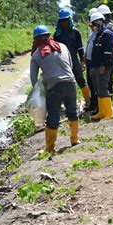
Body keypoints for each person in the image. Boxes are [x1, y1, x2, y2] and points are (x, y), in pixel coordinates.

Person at [30, 25, 79, 154]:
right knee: (72, 112)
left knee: (53, 117)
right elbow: (71, 65)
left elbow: (33, 79)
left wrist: (41, 92)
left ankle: (50, 148)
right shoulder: (62, 46)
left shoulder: (36, 55)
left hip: (54, 88)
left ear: (36, 40)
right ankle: (75, 140)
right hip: (70, 83)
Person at [53, 8, 91, 108]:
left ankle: (88, 101)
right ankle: (63, 104)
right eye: (62, 21)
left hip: (74, 59)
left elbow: (80, 48)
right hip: (62, 61)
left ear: (69, 20)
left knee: (80, 80)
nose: (64, 22)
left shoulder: (75, 32)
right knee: (62, 82)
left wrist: (82, 61)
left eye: (65, 20)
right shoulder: (57, 35)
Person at [89, 12, 113, 120]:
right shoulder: (98, 34)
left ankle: (109, 112)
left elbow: (108, 52)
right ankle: (101, 112)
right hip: (96, 66)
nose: (92, 27)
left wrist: (103, 65)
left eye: (94, 24)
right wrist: (92, 67)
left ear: (99, 22)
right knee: (98, 89)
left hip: (104, 66)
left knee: (103, 88)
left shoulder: (107, 34)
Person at [97, 4, 113, 99]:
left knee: (106, 81)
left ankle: (109, 102)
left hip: (108, 58)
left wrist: (105, 62)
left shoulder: (108, 28)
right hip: (111, 57)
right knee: (108, 80)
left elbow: (110, 46)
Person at [85, 8, 99, 113]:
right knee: (91, 84)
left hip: (95, 63)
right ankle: (93, 104)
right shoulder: (92, 33)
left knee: (96, 85)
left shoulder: (99, 33)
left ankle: (97, 106)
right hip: (90, 61)